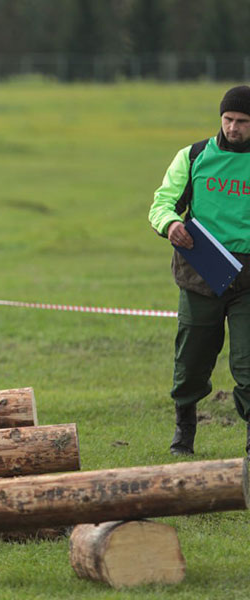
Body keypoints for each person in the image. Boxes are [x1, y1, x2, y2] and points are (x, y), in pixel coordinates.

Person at [149, 85, 250, 457]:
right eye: (228, 119)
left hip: (249, 281)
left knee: (249, 364)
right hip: (202, 273)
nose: (233, 127)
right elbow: (161, 203)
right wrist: (171, 224)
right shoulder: (193, 157)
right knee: (190, 361)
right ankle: (184, 433)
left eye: (241, 121)